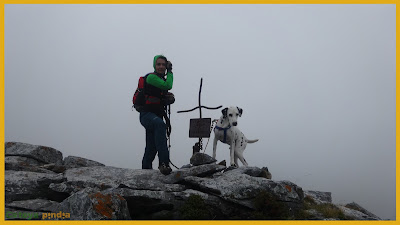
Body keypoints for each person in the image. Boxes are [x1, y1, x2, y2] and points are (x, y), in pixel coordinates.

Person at [139, 55, 174, 175]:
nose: (161, 67)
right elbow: (168, 85)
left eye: (163, 65)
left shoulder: (160, 81)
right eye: (158, 64)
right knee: (160, 125)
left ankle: (145, 170)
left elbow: (162, 93)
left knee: (151, 146)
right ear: (154, 65)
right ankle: (164, 163)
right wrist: (170, 72)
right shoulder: (151, 78)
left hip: (155, 116)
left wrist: (168, 98)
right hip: (147, 115)